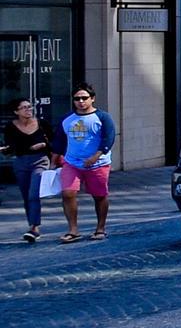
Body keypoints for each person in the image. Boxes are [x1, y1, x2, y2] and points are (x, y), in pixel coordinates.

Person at [58, 83, 116, 243]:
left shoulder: (103, 117)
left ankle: (100, 228)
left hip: (97, 163)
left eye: (84, 98)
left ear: (92, 99)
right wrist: (55, 159)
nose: (81, 101)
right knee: (67, 193)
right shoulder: (67, 119)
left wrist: (96, 156)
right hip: (72, 162)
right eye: (77, 98)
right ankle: (73, 230)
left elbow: (109, 138)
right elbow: (59, 140)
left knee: (99, 196)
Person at [6, 99, 53, 242]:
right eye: (24, 108)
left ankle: (34, 227)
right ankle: (32, 226)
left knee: (34, 193)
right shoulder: (11, 127)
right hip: (21, 162)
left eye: (29, 107)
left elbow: (54, 142)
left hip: (40, 160)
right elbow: (10, 147)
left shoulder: (42, 124)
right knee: (26, 195)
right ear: (16, 112)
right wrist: (5, 149)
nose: (28, 110)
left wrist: (43, 144)